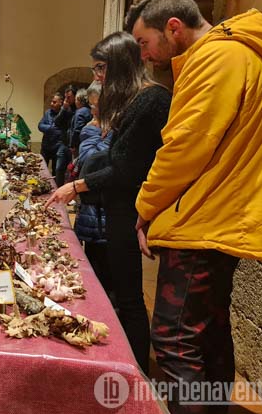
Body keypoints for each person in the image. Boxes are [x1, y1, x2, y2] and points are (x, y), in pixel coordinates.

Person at [125, 0, 262, 414]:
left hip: (204, 220)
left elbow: (184, 147)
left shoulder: (216, 58)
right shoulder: (234, 54)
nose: (144, 54)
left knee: (175, 340)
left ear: (173, 28)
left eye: (144, 42)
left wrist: (145, 206)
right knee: (209, 335)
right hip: (219, 217)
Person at [46, 32, 172, 374]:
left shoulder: (151, 100)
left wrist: (77, 185)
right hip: (122, 208)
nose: (97, 77)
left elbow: (126, 170)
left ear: (121, 65)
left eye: (101, 68)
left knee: (129, 298)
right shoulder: (137, 101)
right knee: (121, 294)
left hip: (129, 209)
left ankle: (135, 375)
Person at [72, 82, 113, 301]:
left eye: (95, 106)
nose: (91, 111)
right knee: (95, 263)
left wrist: (94, 132)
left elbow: (91, 160)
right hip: (94, 209)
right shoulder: (98, 128)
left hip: (105, 211)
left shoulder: (99, 129)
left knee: (106, 273)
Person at [53, 86, 76, 186]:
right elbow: (56, 122)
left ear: (75, 97)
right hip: (64, 143)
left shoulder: (79, 109)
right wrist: (63, 109)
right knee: (59, 168)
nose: (66, 100)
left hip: (74, 146)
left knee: (71, 173)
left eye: (69, 97)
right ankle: (58, 189)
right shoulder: (65, 108)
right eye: (65, 97)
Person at [37, 93, 63, 171]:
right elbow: (40, 125)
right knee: (41, 169)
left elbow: (61, 131)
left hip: (57, 147)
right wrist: (50, 128)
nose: (51, 104)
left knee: (56, 171)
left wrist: (54, 131)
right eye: (51, 101)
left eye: (54, 102)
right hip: (46, 147)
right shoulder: (48, 112)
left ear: (60, 103)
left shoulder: (64, 114)